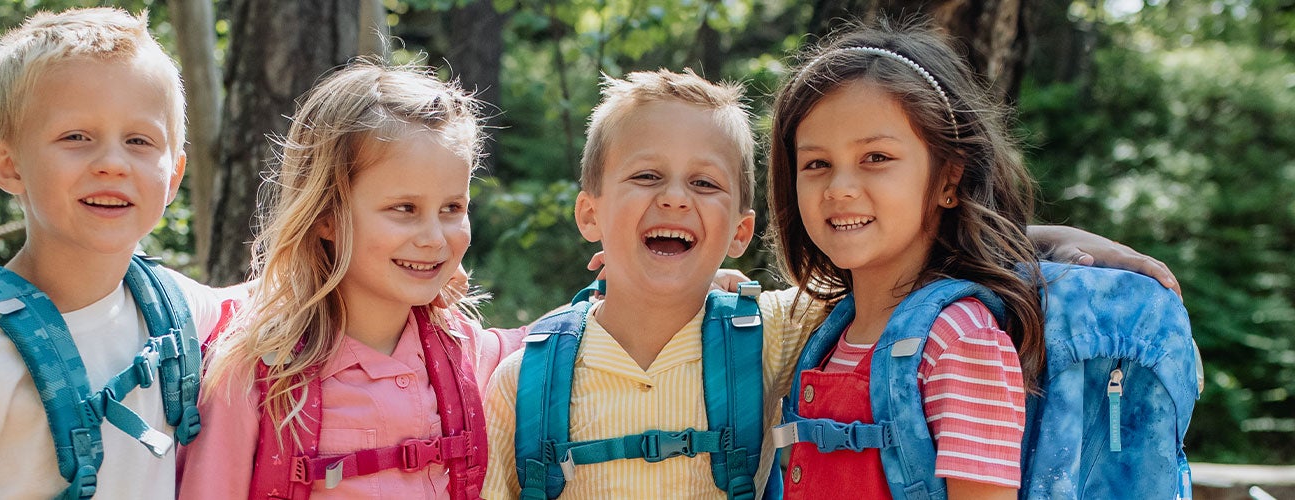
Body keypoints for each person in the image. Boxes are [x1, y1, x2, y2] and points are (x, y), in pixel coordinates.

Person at [480, 67, 1183, 499]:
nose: (673, 198)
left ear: (741, 232)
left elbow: (896, 253)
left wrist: (1041, 239)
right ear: (589, 214)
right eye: (645, 176)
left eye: (704, 183)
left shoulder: (775, 332)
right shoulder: (525, 382)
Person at [0, 8, 222, 498]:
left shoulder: (176, 311)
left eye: (139, 140)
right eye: (76, 137)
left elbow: (282, 303)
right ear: (9, 166)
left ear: (173, 175)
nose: (112, 163)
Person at [176, 62, 523, 499]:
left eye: (452, 208)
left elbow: (574, 340)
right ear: (326, 217)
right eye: (404, 209)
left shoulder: (467, 353)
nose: (435, 238)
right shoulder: (254, 371)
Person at [764, 22, 1046, 498]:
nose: (839, 188)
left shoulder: (960, 340)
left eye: (876, 157)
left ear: (949, 180)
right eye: (817, 164)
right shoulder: (825, 331)